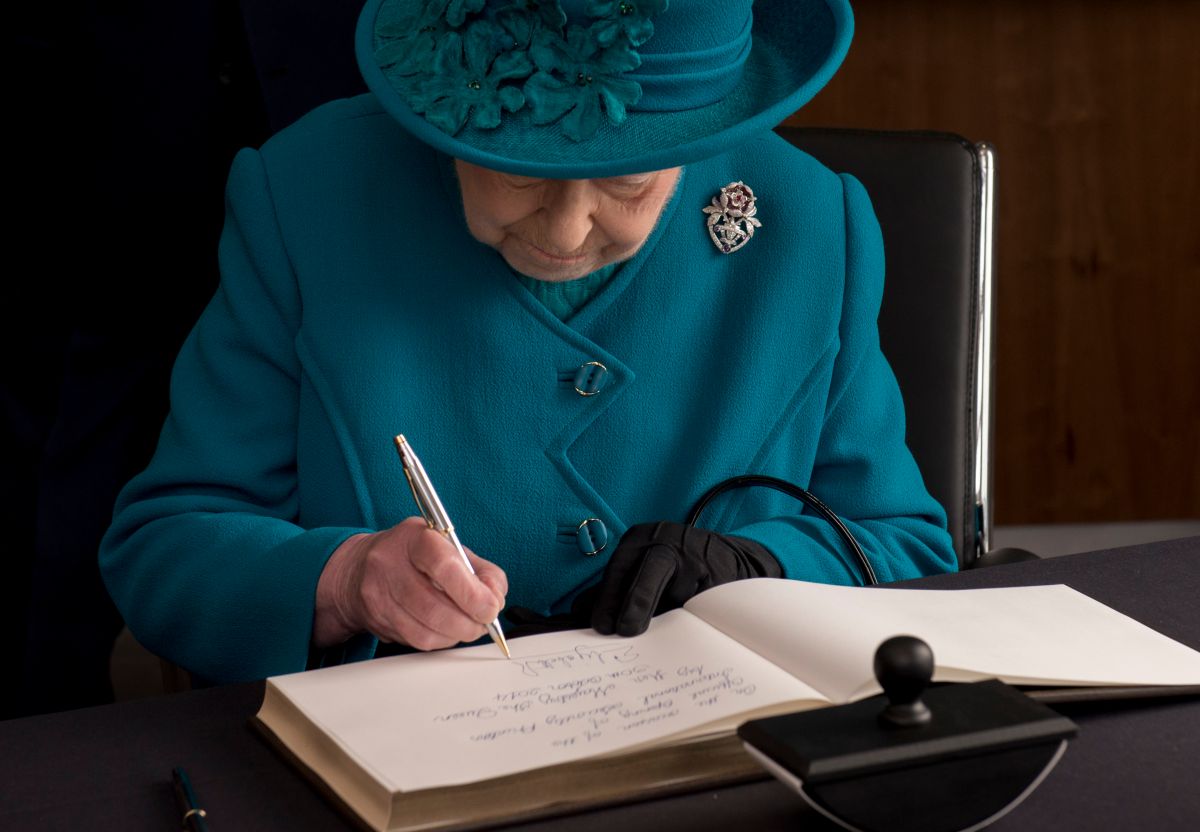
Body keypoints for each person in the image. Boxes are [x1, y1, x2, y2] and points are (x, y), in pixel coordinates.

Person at [99, 0, 957, 686]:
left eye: (626, 180)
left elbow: (908, 549)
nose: (569, 229)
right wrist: (346, 579)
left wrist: (756, 566)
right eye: (520, 174)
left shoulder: (812, 224)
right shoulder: (304, 195)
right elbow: (165, 545)